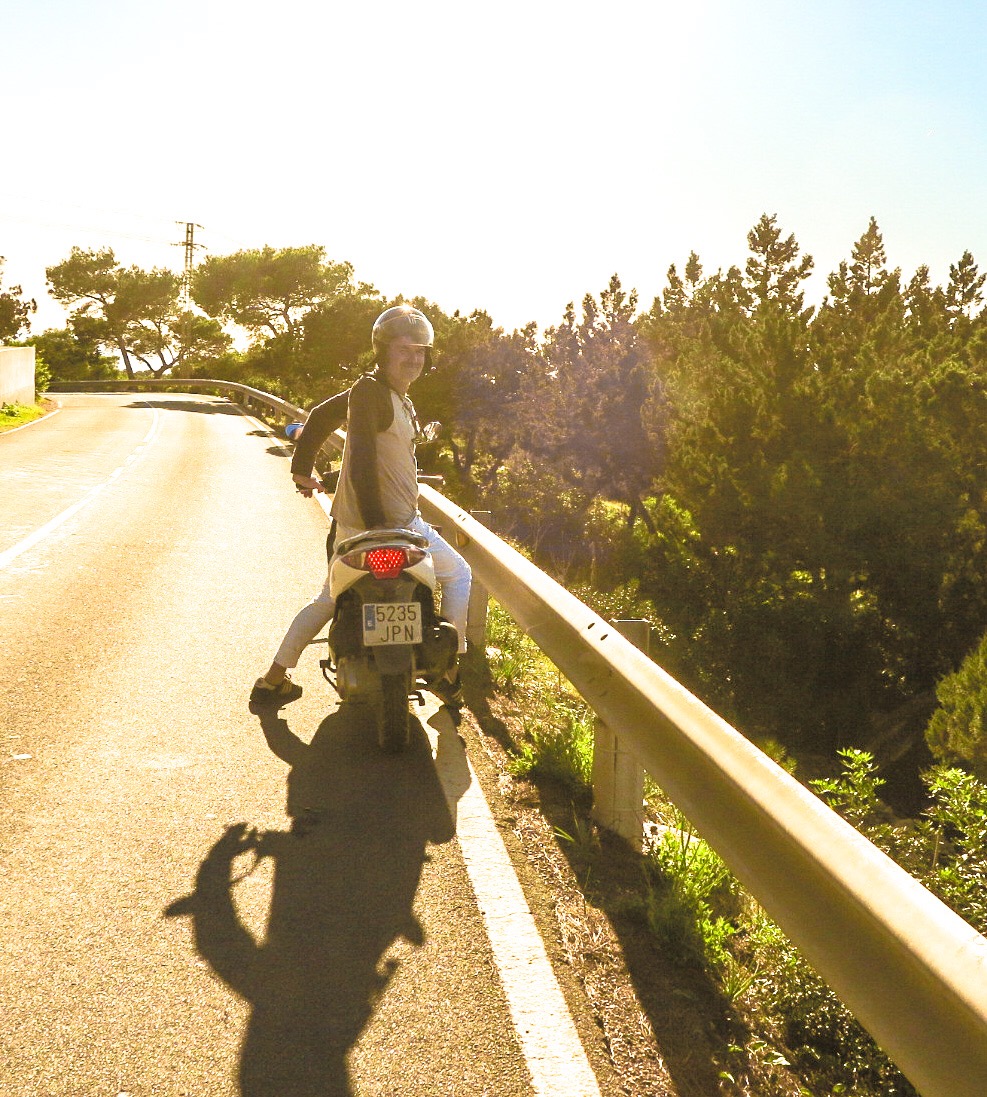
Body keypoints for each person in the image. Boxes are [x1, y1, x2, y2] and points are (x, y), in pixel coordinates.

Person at [250, 304, 471, 707]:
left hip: (365, 527)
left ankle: (273, 680)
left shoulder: (390, 396)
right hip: (394, 526)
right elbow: (364, 459)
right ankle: (450, 672)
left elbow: (321, 416)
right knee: (459, 574)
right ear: (383, 351)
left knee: (329, 599)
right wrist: (377, 525)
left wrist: (301, 469)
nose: (414, 359)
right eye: (404, 349)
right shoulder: (372, 393)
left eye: (420, 351)